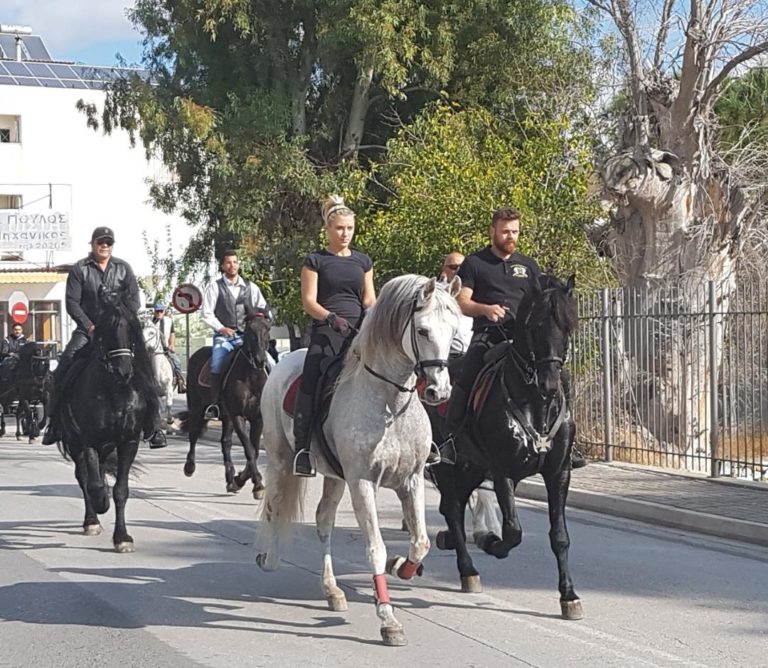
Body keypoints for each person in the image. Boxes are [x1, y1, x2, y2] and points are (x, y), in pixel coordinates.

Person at [443, 208, 586, 468]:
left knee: (561, 377)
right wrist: (485, 309)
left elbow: (544, 297)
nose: (510, 236)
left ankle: (567, 443)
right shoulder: (475, 263)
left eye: (515, 231)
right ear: (493, 231)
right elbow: (461, 301)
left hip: (527, 343)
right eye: (505, 231)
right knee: (468, 372)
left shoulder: (528, 266)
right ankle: (453, 440)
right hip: (489, 336)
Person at [42, 226, 167, 447]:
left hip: (119, 331)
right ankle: (55, 423)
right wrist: (89, 325)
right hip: (88, 330)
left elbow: (134, 300)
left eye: (108, 243)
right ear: (92, 244)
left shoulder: (123, 268)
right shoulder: (80, 269)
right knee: (64, 366)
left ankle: (154, 427)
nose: (105, 246)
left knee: (147, 369)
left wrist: (121, 320)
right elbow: (72, 302)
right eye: (101, 242)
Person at [293, 195, 376, 477]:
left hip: (359, 330)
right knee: (311, 377)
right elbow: (309, 301)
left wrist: (372, 320)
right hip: (327, 331)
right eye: (340, 228)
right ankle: (302, 448)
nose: (345, 234)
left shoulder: (363, 261)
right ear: (328, 229)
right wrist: (330, 318)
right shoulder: (315, 260)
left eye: (350, 228)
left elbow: (369, 299)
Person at [200, 249, 270, 420]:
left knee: (271, 362)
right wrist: (221, 328)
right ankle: (215, 404)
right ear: (223, 266)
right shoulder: (215, 287)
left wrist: (261, 321)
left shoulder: (251, 287)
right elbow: (206, 313)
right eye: (229, 262)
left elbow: (263, 308)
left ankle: (270, 400)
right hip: (224, 336)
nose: (233, 265)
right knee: (216, 362)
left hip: (247, 337)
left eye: (235, 262)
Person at [438, 252, 473, 359]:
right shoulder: (436, 293)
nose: (458, 270)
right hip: (445, 356)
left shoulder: (478, 292)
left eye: (462, 267)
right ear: (444, 269)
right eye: (453, 267)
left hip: (472, 353)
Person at [152, 303, 186, 393]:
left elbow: (172, 334)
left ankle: (180, 381)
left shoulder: (169, 321)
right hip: (153, 350)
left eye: (161, 311)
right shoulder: (149, 322)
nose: (159, 313)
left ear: (164, 312)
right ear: (154, 312)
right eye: (157, 311)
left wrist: (172, 345)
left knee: (177, 361)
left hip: (166, 349)